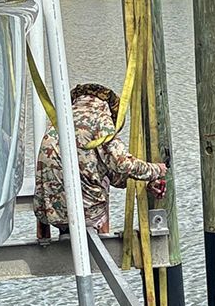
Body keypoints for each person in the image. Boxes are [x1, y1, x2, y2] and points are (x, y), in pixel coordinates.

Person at [34, 84, 167, 235]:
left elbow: (97, 168)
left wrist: (144, 183)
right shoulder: (99, 117)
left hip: (47, 213)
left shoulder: (59, 120)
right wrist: (156, 170)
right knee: (102, 180)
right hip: (83, 215)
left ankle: (45, 240)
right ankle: (103, 238)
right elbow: (122, 163)